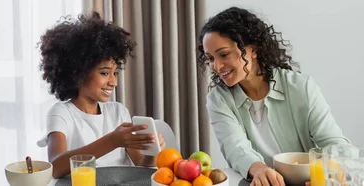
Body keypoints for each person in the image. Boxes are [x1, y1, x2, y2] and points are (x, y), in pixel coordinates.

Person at [197, 7, 349, 186]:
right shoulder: (219, 99)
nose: (217, 66)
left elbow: (332, 143)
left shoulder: (300, 87)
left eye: (224, 54)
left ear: (252, 50)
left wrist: (330, 175)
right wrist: (258, 168)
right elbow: (235, 147)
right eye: (211, 58)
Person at [35, 12, 165, 179]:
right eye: (104, 73)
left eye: (115, 73)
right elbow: (56, 167)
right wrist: (113, 141)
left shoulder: (118, 111)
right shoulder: (62, 113)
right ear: (78, 73)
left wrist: (152, 152)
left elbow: (140, 166)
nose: (113, 82)